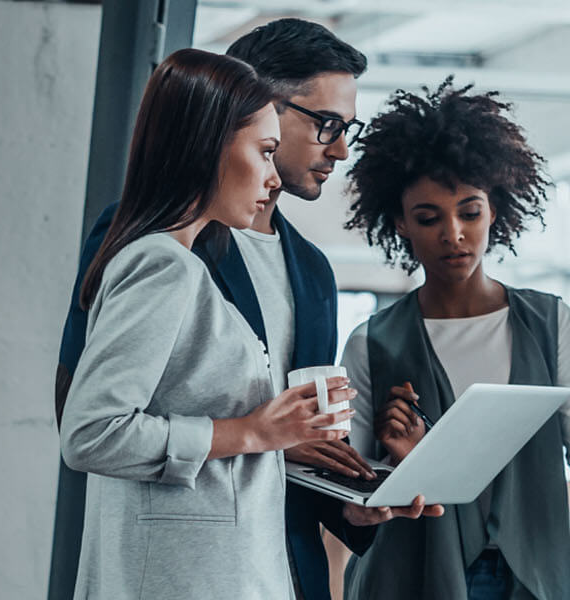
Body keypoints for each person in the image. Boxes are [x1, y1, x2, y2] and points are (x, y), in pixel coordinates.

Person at [58, 48, 436, 599]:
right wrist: (253, 433)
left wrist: (353, 498)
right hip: (180, 569)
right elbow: (88, 423)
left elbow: (277, 439)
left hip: (264, 566)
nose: (339, 148)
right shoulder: (154, 253)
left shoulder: (311, 271)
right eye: (324, 124)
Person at [337, 79, 570, 599]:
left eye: (470, 211)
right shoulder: (370, 344)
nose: (454, 234)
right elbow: (353, 506)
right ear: (399, 221)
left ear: (495, 209)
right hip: (407, 583)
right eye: (429, 218)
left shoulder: (549, 323)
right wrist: (399, 468)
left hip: (531, 583)